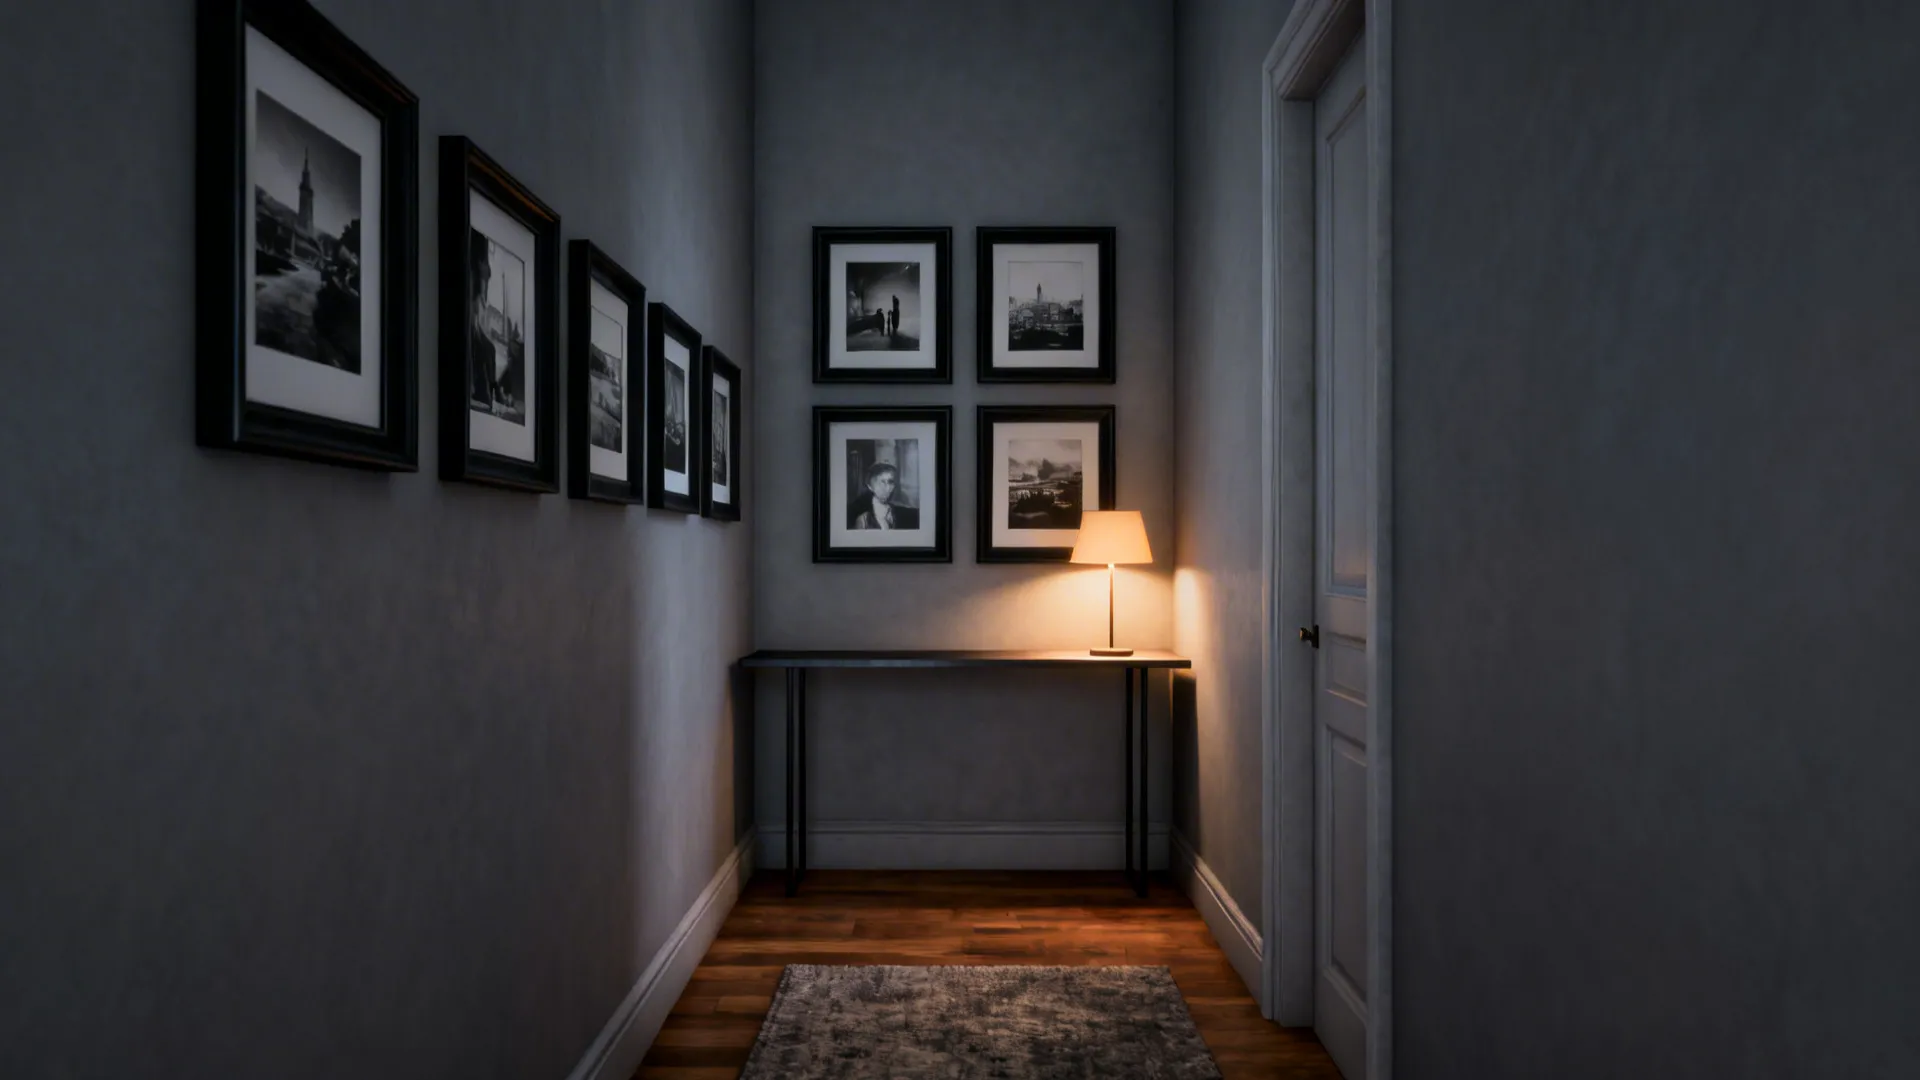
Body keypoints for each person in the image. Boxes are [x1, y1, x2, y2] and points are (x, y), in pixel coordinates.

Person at [849, 460, 919, 530]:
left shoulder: (900, 514)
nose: (888, 488)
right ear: (870, 486)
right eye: (882, 482)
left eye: (890, 482)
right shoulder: (863, 520)